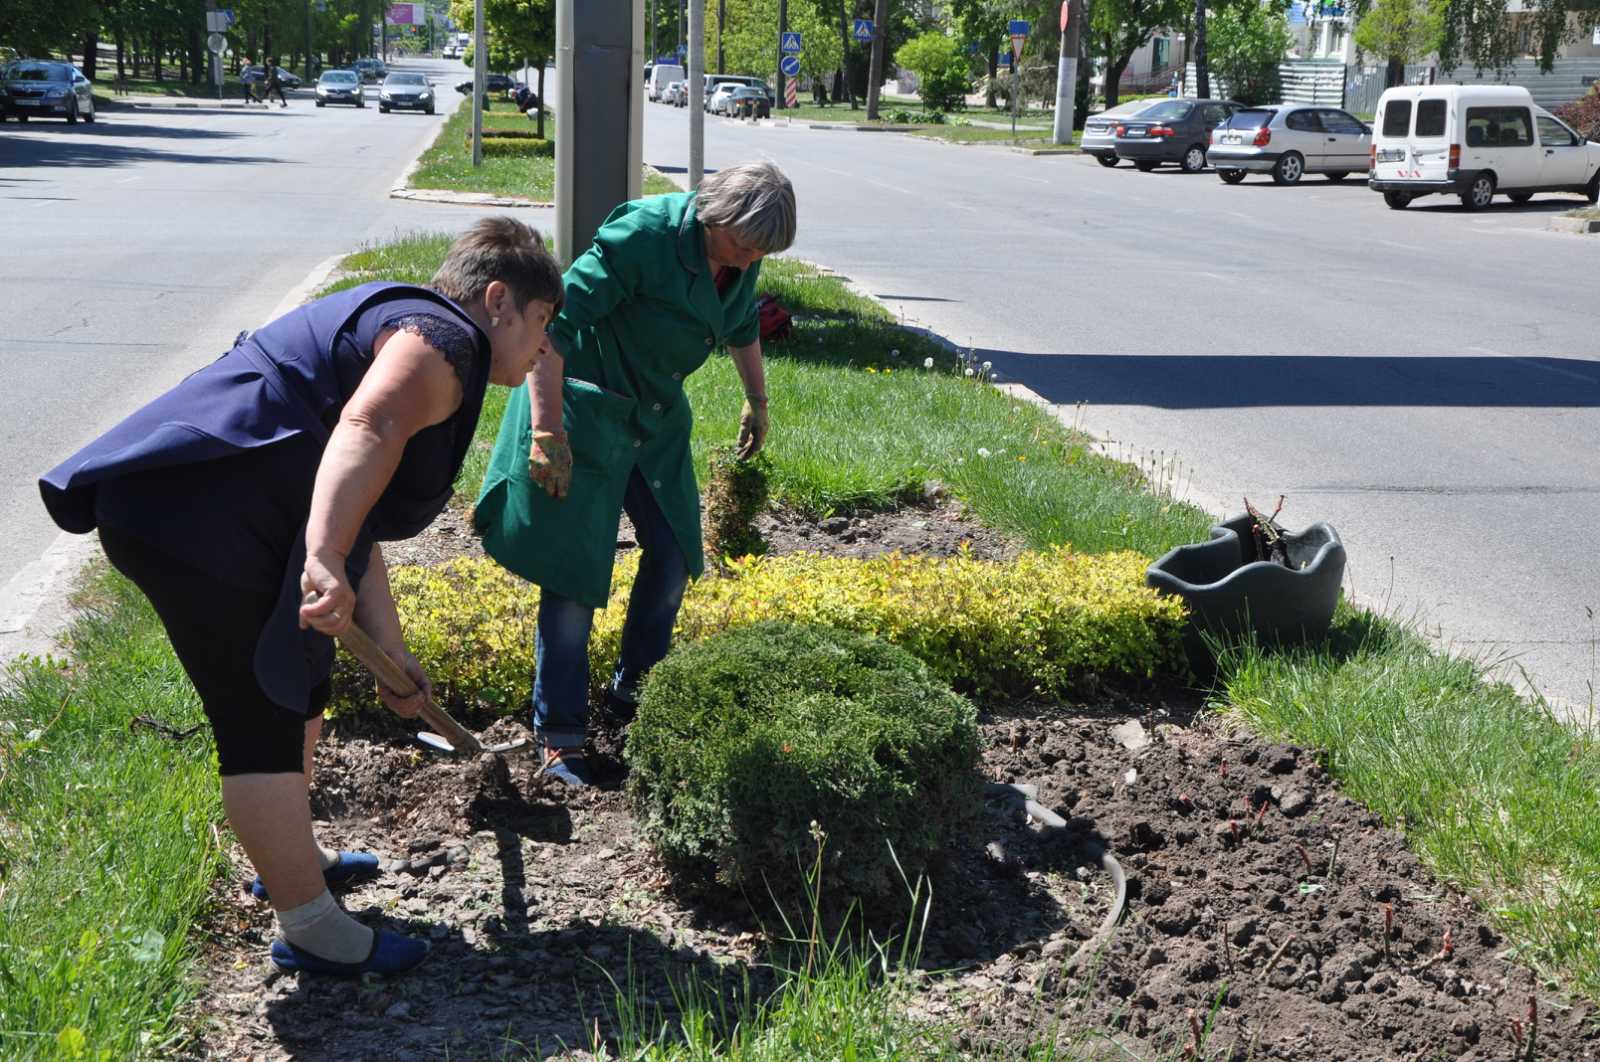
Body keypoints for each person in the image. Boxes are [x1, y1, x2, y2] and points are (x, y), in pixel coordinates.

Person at [39, 217, 562, 977]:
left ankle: (297, 857)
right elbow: (368, 425)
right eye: (542, 323)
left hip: (232, 512)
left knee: (303, 678)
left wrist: (390, 655)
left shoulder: (425, 334)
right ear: (498, 300)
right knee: (261, 717)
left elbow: (362, 517)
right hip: (196, 517)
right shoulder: (443, 340)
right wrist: (320, 554)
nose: (543, 346)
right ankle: (310, 927)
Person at [474, 162, 797, 787]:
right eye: (746, 241)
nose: (753, 255)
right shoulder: (644, 235)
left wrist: (757, 400)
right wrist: (547, 433)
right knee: (575, 576)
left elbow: (739, 325)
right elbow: (552, 329)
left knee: (675, 551)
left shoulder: (741, 254)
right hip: (584, 413)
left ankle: (635, 697)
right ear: (715, 211)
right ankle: (560, 737)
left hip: (654, 420)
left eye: (762, 248)